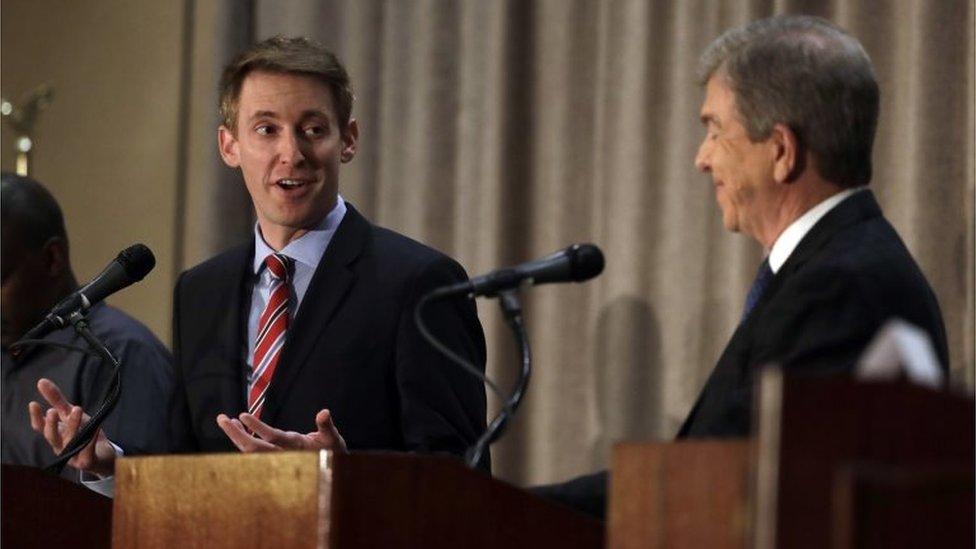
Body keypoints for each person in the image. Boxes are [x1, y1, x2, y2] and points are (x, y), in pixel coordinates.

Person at [534, 14, 948, 518]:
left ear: (780, 151)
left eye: (714, 131)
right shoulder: (833, 268)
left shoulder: (841, 287)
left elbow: (729, 479)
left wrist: (511, 512)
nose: (701, 159)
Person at [28, 36, 489, 485]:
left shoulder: (421, 283)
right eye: (267, 129)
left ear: (347, 140)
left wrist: (346, 476)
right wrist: (111, 464)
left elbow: (460, 476)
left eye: (313, 129)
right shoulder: (200, 291)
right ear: (230, 146)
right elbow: (189, 463)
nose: (292, 154)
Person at [1, 172, 175, 481]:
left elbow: (148, 495)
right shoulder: (9, 347)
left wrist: (104, 469)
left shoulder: (121, 353)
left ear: (52, 259)